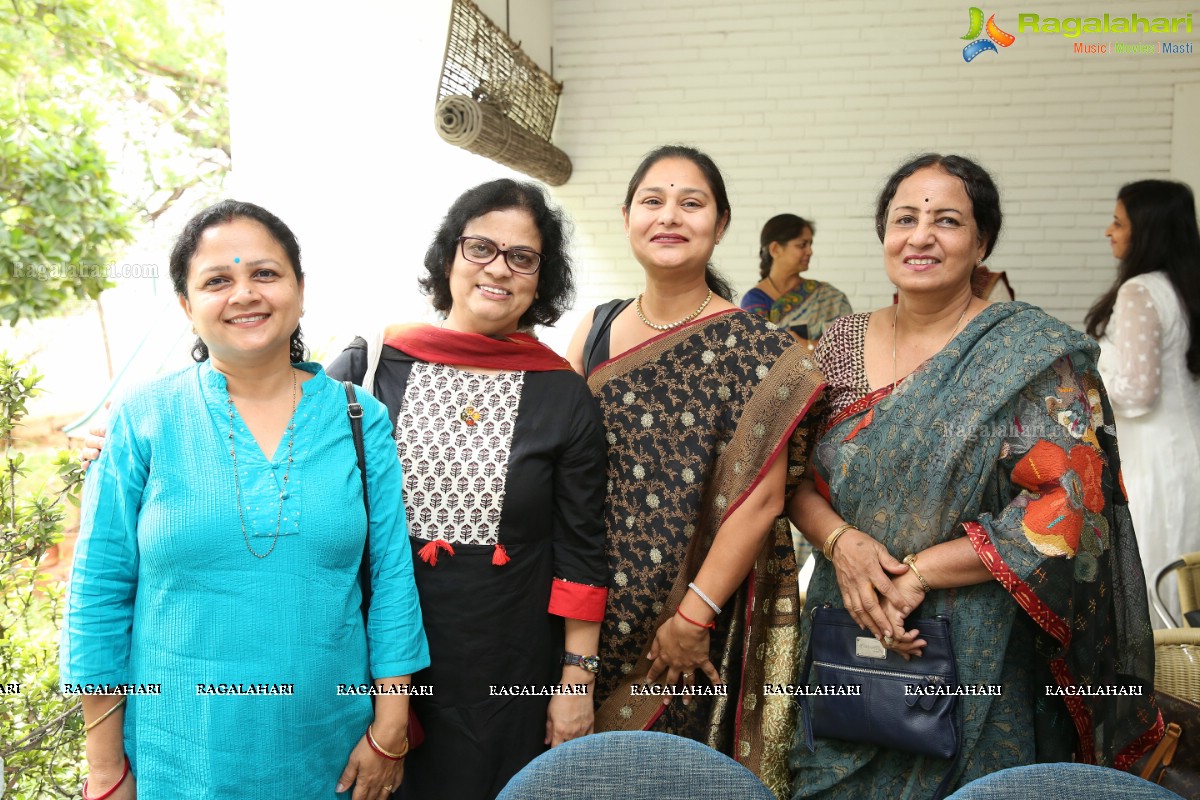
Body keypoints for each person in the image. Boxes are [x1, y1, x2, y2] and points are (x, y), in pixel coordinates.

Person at [786, 154, 1161, 798]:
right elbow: (791, 478)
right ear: (884, 234)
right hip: (847, 619)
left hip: (977, 639)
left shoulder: (1026, 353)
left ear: (981, 240)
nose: (921, 235)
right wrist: (842, 545)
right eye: (905, 218)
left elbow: (1069, 503)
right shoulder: (837, 344)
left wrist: (918, 575)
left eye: (948, 220)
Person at [61, 200, 430, 800]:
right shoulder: (144, 419)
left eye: (264, 273)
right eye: (217, 280)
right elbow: (99, 592)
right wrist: (106, 770)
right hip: (175, 758)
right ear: (186, 305)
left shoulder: (360, 420)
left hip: (331, 753)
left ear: (300, 290)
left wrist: (390, 730)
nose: (244, 294)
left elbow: (392, 578)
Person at [325, 179, 608, 800]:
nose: (498, 268)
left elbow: (583, 551)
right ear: (449, 256)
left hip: (506, 672)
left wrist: (575, 682)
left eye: (522, 257)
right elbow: (277, 451)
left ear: (542, 277)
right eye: (480, 247)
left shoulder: (563, 395)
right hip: (372, 659)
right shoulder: (370, 365)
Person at [566, 144, 825, 797]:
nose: (669, 216)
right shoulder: (593, 329)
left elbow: (762, 503)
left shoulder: (759, 348)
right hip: (583, 614)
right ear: (627, 216)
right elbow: (559, 474)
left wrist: (692, 617)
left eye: (692, 202)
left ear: (722, 222)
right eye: (653, 201)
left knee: (668, 781)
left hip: (686, 624)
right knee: (576, 776)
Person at [1088, 179, 1200, 624]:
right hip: (1186, 451)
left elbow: (1135, 393)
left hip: (1153, 460)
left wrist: (1086, 373)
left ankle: (1149, 690)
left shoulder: (1140, 292)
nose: (1108, 231)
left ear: (1147, 231)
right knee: (1184, 583)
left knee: (1151, 579)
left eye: (1117, 222)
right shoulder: (1185, 286)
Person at [740, 214, 851, 347]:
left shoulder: (829, 296)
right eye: (802, 245)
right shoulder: (754, 300)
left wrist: (807, 345)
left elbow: (849, 346)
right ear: (775, 249)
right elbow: (760, 352)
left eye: (810, 244)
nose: (810, 251)